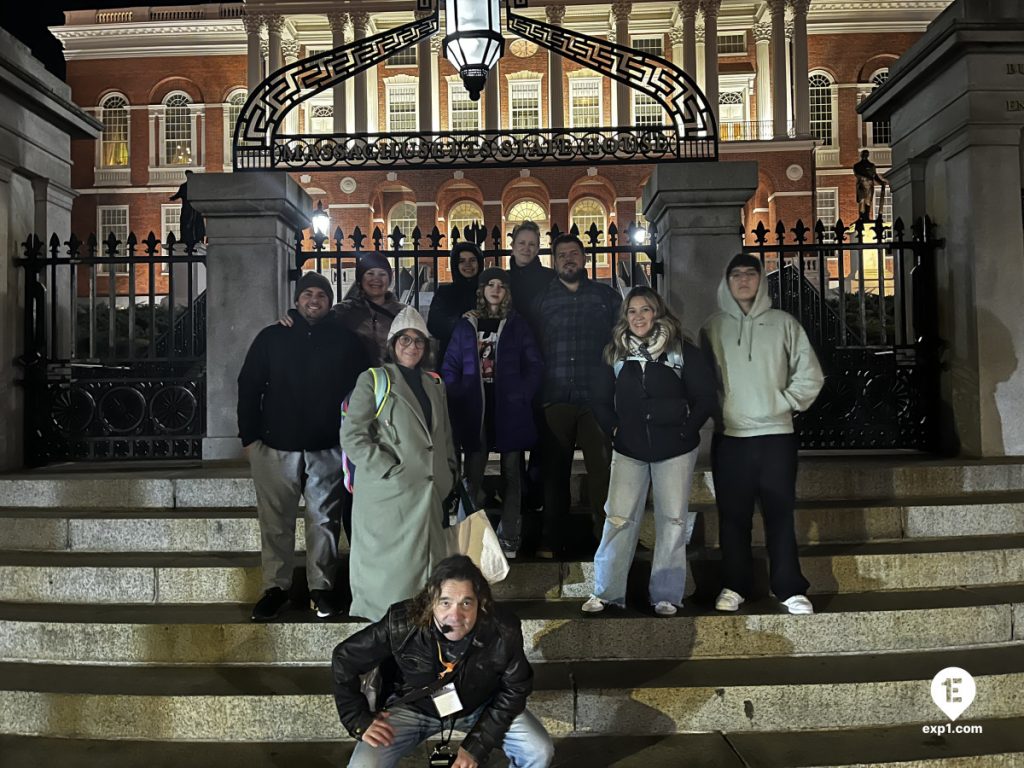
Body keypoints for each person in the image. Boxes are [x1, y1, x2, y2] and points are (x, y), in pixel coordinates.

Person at [332, 554, 554, 768]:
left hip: (479, 706)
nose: (455, 616)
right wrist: (358, 719)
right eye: (445, 602)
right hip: (414, 707)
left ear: (481, 602)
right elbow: (345, 658)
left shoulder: (502, 630)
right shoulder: (402, 623)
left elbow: (515, 688)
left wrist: (477, 746)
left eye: (466, 603)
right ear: (430, 601)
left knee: (538, 750)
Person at [237, 272, 370, 621]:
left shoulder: (345, 340)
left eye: (322, 295)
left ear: (330, 302)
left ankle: (320, 588)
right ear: (296, 300)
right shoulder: (272, 337)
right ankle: (275, 587)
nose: (314, 300)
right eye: (308, 294)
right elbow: (249, 385)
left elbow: (361, 391)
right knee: (275, 522)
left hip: (326, 445)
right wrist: (249, 437)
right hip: (275, 445)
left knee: (324, 521)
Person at [701, 254, 824, 615]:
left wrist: (784, 402)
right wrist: (719, 411)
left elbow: (810, 373)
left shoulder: (783, 324)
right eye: (735, 274)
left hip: (776, 436)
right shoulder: (713, 327)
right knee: (733, 516)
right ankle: (735, 585)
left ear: (760, 280)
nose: (743, 280)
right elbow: (704, 382)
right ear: (726, 281)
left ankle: (789, 588)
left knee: (780, 513)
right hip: (733, 437)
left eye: (749, 274)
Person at [584, 287, 716, 616]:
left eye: (645, 309)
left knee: (672, 521)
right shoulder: (615, 353)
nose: (638, 316)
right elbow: (599, 398)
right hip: (629, 448)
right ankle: (606, 591)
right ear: (625, 317)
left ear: (657, 313)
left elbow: (705, 397)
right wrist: (614, 428)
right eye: (632, 311)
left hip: (675, 449)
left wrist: (687, 429)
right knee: (617, 519)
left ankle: (666, 595)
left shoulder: (682, 350)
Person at [340, 305, 458, 622]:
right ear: (393, 344)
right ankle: (382, 653)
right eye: (404, 339)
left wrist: (448, 473)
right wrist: (387, 469)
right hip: (388, 499)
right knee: (388, 585)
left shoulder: (434, 384)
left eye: (418, 340)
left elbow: (443, 434)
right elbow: (352, 435)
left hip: (428, 497)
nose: (412, 346)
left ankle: (417, 653)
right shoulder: (374, 379)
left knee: (426, 584)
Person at [442, 268, 544, 558]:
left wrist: (522, 393)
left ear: (507, 292)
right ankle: (467, 536)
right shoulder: (466, 326)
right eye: (490, 284)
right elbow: (450, 364)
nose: (495, 289)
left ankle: (510, 535)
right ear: (482, 290)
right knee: (472, 474)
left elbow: (534, 363)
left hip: (509, 407)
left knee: (512, 473)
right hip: (477, 408)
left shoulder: (517, 324)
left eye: (501, 285)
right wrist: (459, 390)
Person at [532, 233, 621, 558]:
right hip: (555, 396)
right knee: (555, 473)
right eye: (561, 255)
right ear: (554, 262)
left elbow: (621, 342)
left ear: (584, 258)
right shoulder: (542, 300)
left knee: (602, 472)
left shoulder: (606, 297)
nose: (568, 259)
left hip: (595, 397)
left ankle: (606, 539)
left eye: (573, 253)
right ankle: (552, 539)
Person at [335, 253, 407, 365]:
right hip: (355, 378)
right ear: (360, 279)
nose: (376, 279)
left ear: (389, 279)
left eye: (382, 274)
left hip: (392, 377)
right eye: (370, 273)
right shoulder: (343, 311)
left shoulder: (403, 313)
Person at [428, 241, 484, 360]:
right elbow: (434, 325)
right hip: (452, 359)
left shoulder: (489, 291)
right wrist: (461, 321)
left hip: (484, 358)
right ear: (455, 265)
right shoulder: (445, 292)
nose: (468, 265)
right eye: (462, 261)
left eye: (472, 260)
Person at [506, 221, 554, 326]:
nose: (526, 248)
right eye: (521, 243)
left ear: (537, 249)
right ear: (513, 246)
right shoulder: (503, 279)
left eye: (531, 244)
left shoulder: (551, 278)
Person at [168, 169, 206, 245]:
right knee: (184, 222)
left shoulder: (196, 186)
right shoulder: (184, 186)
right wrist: (173, 198)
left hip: (194, 208)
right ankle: (184, 238)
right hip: (187, 208)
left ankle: (196, 238)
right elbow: (178, 194)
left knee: (195, 223)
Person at [853, 149, 888, 222]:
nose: (864, 156)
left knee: (868, 201)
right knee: (861, 200)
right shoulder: (857, 165)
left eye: (866, 154)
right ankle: (861, 217)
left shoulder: (871, 166)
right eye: (863, 154)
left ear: (868, 155)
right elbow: (857, 174)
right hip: (861, 184)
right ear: (861, 155)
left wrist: (881, 182)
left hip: (870, 185)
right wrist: (866, 177)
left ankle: (866, 217)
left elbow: (875, 176)